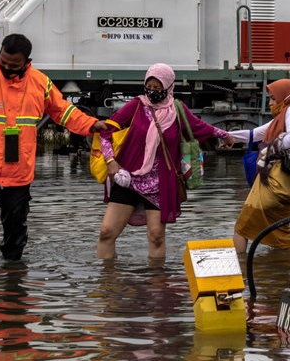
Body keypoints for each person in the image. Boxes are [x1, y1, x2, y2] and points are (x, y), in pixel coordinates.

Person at [0, 33, 107, 261]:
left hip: (18, 168)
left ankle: (13, 275)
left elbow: (63, 111)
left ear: (27, 62)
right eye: (3, 63)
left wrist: (92, 124)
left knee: (16, 224)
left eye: (14, 66)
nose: (7, 69)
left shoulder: (40, 82)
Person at [96, 63, 233, 260]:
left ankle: (157, 283)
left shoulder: (177, 110)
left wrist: (225, 135)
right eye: (149, 87)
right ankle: (108, 282)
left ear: (168, 87)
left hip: (160, 183)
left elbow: (200, 127)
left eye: (158, 88)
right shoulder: (135, 106)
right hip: (128, 179)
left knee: (156, 236)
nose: (152, 92)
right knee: (107, 232)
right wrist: (110, 160)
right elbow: (106, 132)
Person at [229, 79, 290, 254]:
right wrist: (225, 135)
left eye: (273, 98)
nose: (271, 103)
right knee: (281, 234)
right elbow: (255, 134)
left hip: (275, 183)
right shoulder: (282, 117)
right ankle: (285, 272)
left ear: (285, 97)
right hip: (289, 185)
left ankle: (241, 272)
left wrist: (270, 147)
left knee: (241, 228)